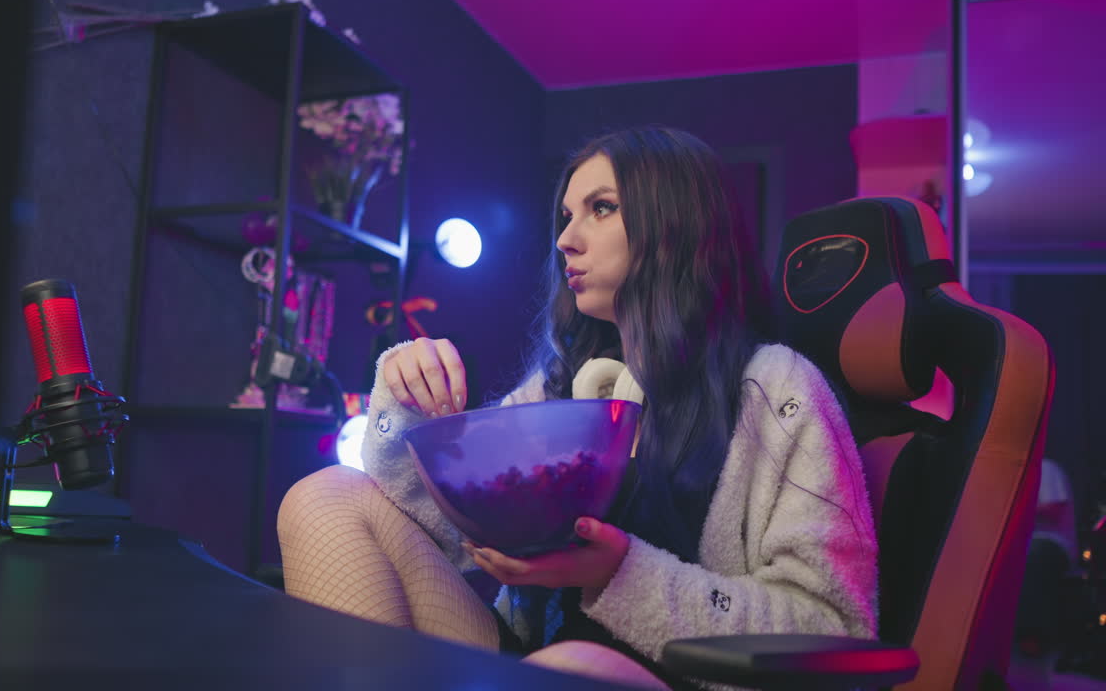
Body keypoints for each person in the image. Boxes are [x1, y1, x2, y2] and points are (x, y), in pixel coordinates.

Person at [277, 126, 877, 689]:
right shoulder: (565, 386)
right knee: (324, 496)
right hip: (533, 658)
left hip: (675, 677)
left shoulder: (776, 390)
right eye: (566, 216)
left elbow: (833, 628)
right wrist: (403, 398)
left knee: (570, 665)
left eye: (602, 208)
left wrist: (616, 572)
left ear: (676, 223)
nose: (565, 238)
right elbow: (444, 532)